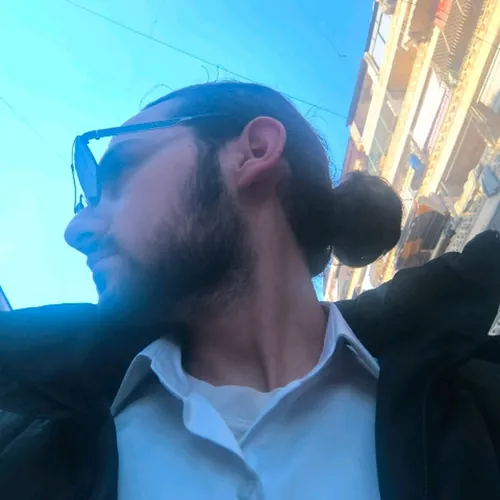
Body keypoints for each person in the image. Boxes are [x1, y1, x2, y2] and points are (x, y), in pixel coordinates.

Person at [0, 81, 499, 500]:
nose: (77, 229)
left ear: (255, 151)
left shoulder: (479, 407)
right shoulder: (29, 443)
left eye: (117, 177)